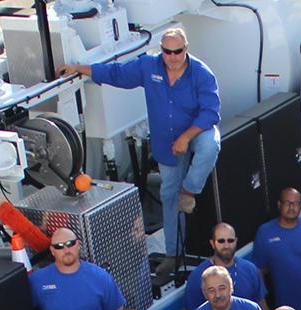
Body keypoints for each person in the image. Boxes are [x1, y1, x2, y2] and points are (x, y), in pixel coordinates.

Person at [65, 26, 220, 262]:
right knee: (168, 195)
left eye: (177, 51)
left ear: (186, 49)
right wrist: (80, 69)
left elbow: (210, 113)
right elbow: (117, 74)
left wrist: (186, 137)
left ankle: (189, 190)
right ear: (161, 51)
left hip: (195, 133)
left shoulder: (202, 73)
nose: (172, 57)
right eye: (167, 52)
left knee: (211, 145)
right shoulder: (149, 66)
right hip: (166, 142)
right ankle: (173, 254)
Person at [183, 224, 268, 310]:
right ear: (212, 243)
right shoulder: (198, 276)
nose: (226, 245)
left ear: (236, 241)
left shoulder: (250, 269)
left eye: (230, 240)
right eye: (221, 241)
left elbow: (262, 307)